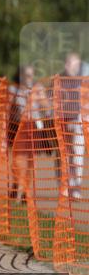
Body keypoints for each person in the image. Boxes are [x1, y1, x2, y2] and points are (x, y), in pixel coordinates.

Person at [7, 65, 56, 202]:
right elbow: (7, 110)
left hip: (33, 127)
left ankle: (26, 192)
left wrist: (44, 100)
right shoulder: (13, 89)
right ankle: (16, 184)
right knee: (18, 160)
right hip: (17, 128)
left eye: (31, 75)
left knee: (30, 162)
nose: (29, 78)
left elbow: (48, 110)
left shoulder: (38, 88)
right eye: (26, 75)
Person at [56, 52, 85, 200]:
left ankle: (76, 187)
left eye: (76, 64)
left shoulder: (83, 81)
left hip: (79, 123)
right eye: (71, 63)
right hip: (63, 122)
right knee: (65, 155)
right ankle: (65, 185)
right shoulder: (59, 80)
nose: (73, 66)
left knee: (77, 156)